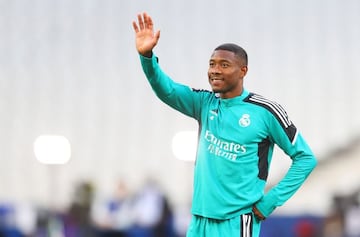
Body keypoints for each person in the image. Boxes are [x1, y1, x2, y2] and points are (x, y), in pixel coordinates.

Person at [132, 12, 317, 237]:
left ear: (243, 71)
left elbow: (305, 158)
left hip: (236, 222)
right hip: (199, 221)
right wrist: (147, 57)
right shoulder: (204, 103)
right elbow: (167, 89)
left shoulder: (265, 112)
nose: (215, 70)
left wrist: (270, 202)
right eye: (212, 64)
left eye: (224, 64)